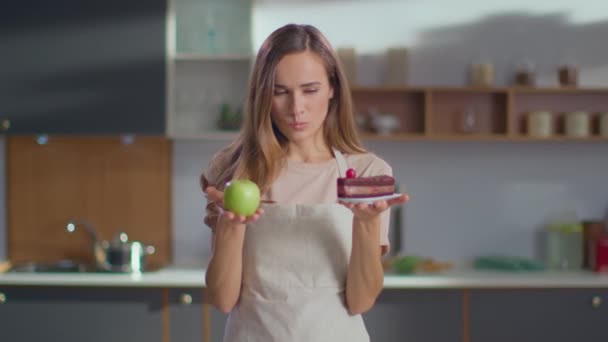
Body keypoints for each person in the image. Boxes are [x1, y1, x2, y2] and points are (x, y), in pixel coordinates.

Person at [200, 23, 409, 342]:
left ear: (332, 88)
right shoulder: (233, 170)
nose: (296, 108)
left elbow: (361, 301)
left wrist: (366, 225)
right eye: (280, 92)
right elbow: (222, 299)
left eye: (310, 89)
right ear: (262, 95)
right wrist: (231, 227)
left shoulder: (365, 173)